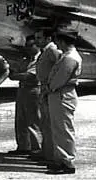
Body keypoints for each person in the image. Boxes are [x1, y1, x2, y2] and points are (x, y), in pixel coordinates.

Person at [46, 29, 82, 174]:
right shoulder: (66, 56)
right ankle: (60, 160)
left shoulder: (70, 58)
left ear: (62, 41)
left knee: (64, 130)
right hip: (59, 94)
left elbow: (60, 79)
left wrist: (49, 88)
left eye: (58, 42)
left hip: (62, 94)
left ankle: (67, 162)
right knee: (58, 129)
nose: (56, 45)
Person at [7, 35, 42, 155]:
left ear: (37, 45)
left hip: (34, 90)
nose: (27, 48)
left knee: (33, 120)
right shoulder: (25, 59)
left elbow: (31, 76)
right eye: (26, 46)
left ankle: (36, 148)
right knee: (20, 119)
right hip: (22, 89)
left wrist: (14, 76)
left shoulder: (40, 59)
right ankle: (23, 146)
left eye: (31, 45)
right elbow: (15, 70)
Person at [32, 29, 62, 162]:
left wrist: (50, 86)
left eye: (39, 38)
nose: (36, 41)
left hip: (49, 89)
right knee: (44, 122)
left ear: (48, 38)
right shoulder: (45, 50)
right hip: (44, 88)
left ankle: (50, 155)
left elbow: (58, 69)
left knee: (49, 123)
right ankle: (46, 151)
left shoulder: (52, 51)